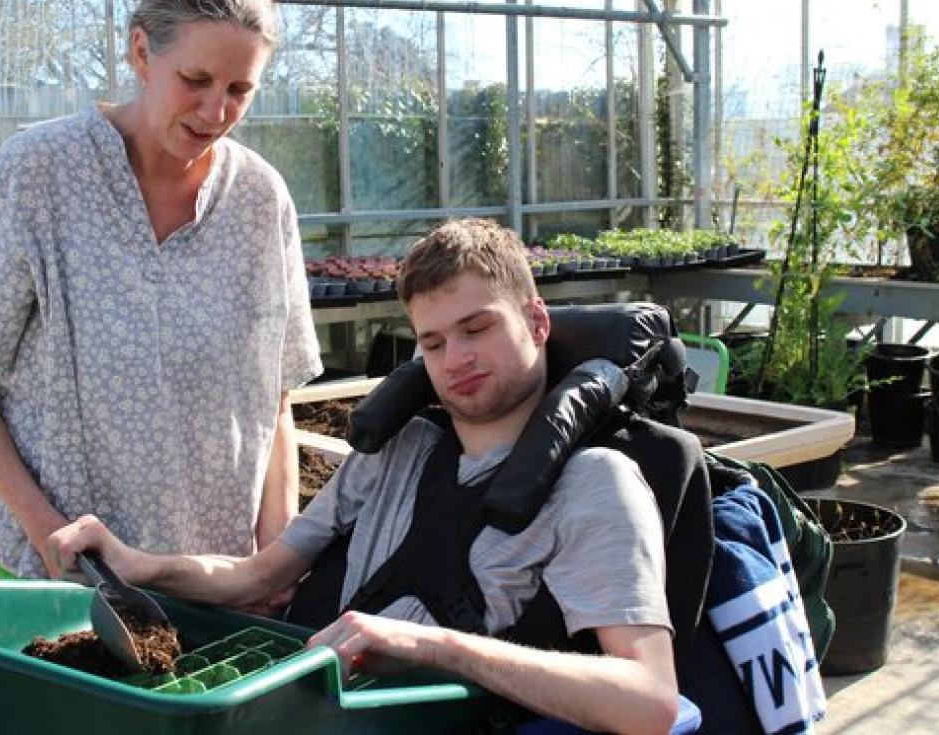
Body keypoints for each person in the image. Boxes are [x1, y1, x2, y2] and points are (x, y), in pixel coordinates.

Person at [48, 219, 678, 734]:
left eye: (477, 328)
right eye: (433, 343)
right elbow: (260, 574)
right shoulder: (396, 452)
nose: (455, 359)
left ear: (537, 323)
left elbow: (649, 700)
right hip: (304, 711)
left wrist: (436, 646)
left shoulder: (595, 483)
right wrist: (136, 566)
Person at [0, 0, 322, 579]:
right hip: (59, 581)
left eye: (239, 89)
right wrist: (50, 535)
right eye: (195, 79)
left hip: (213, 581)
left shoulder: (260, 199)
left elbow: (273, 404)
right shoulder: (39, 175)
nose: (216, 111)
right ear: (141, 53)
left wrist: (274, 566)